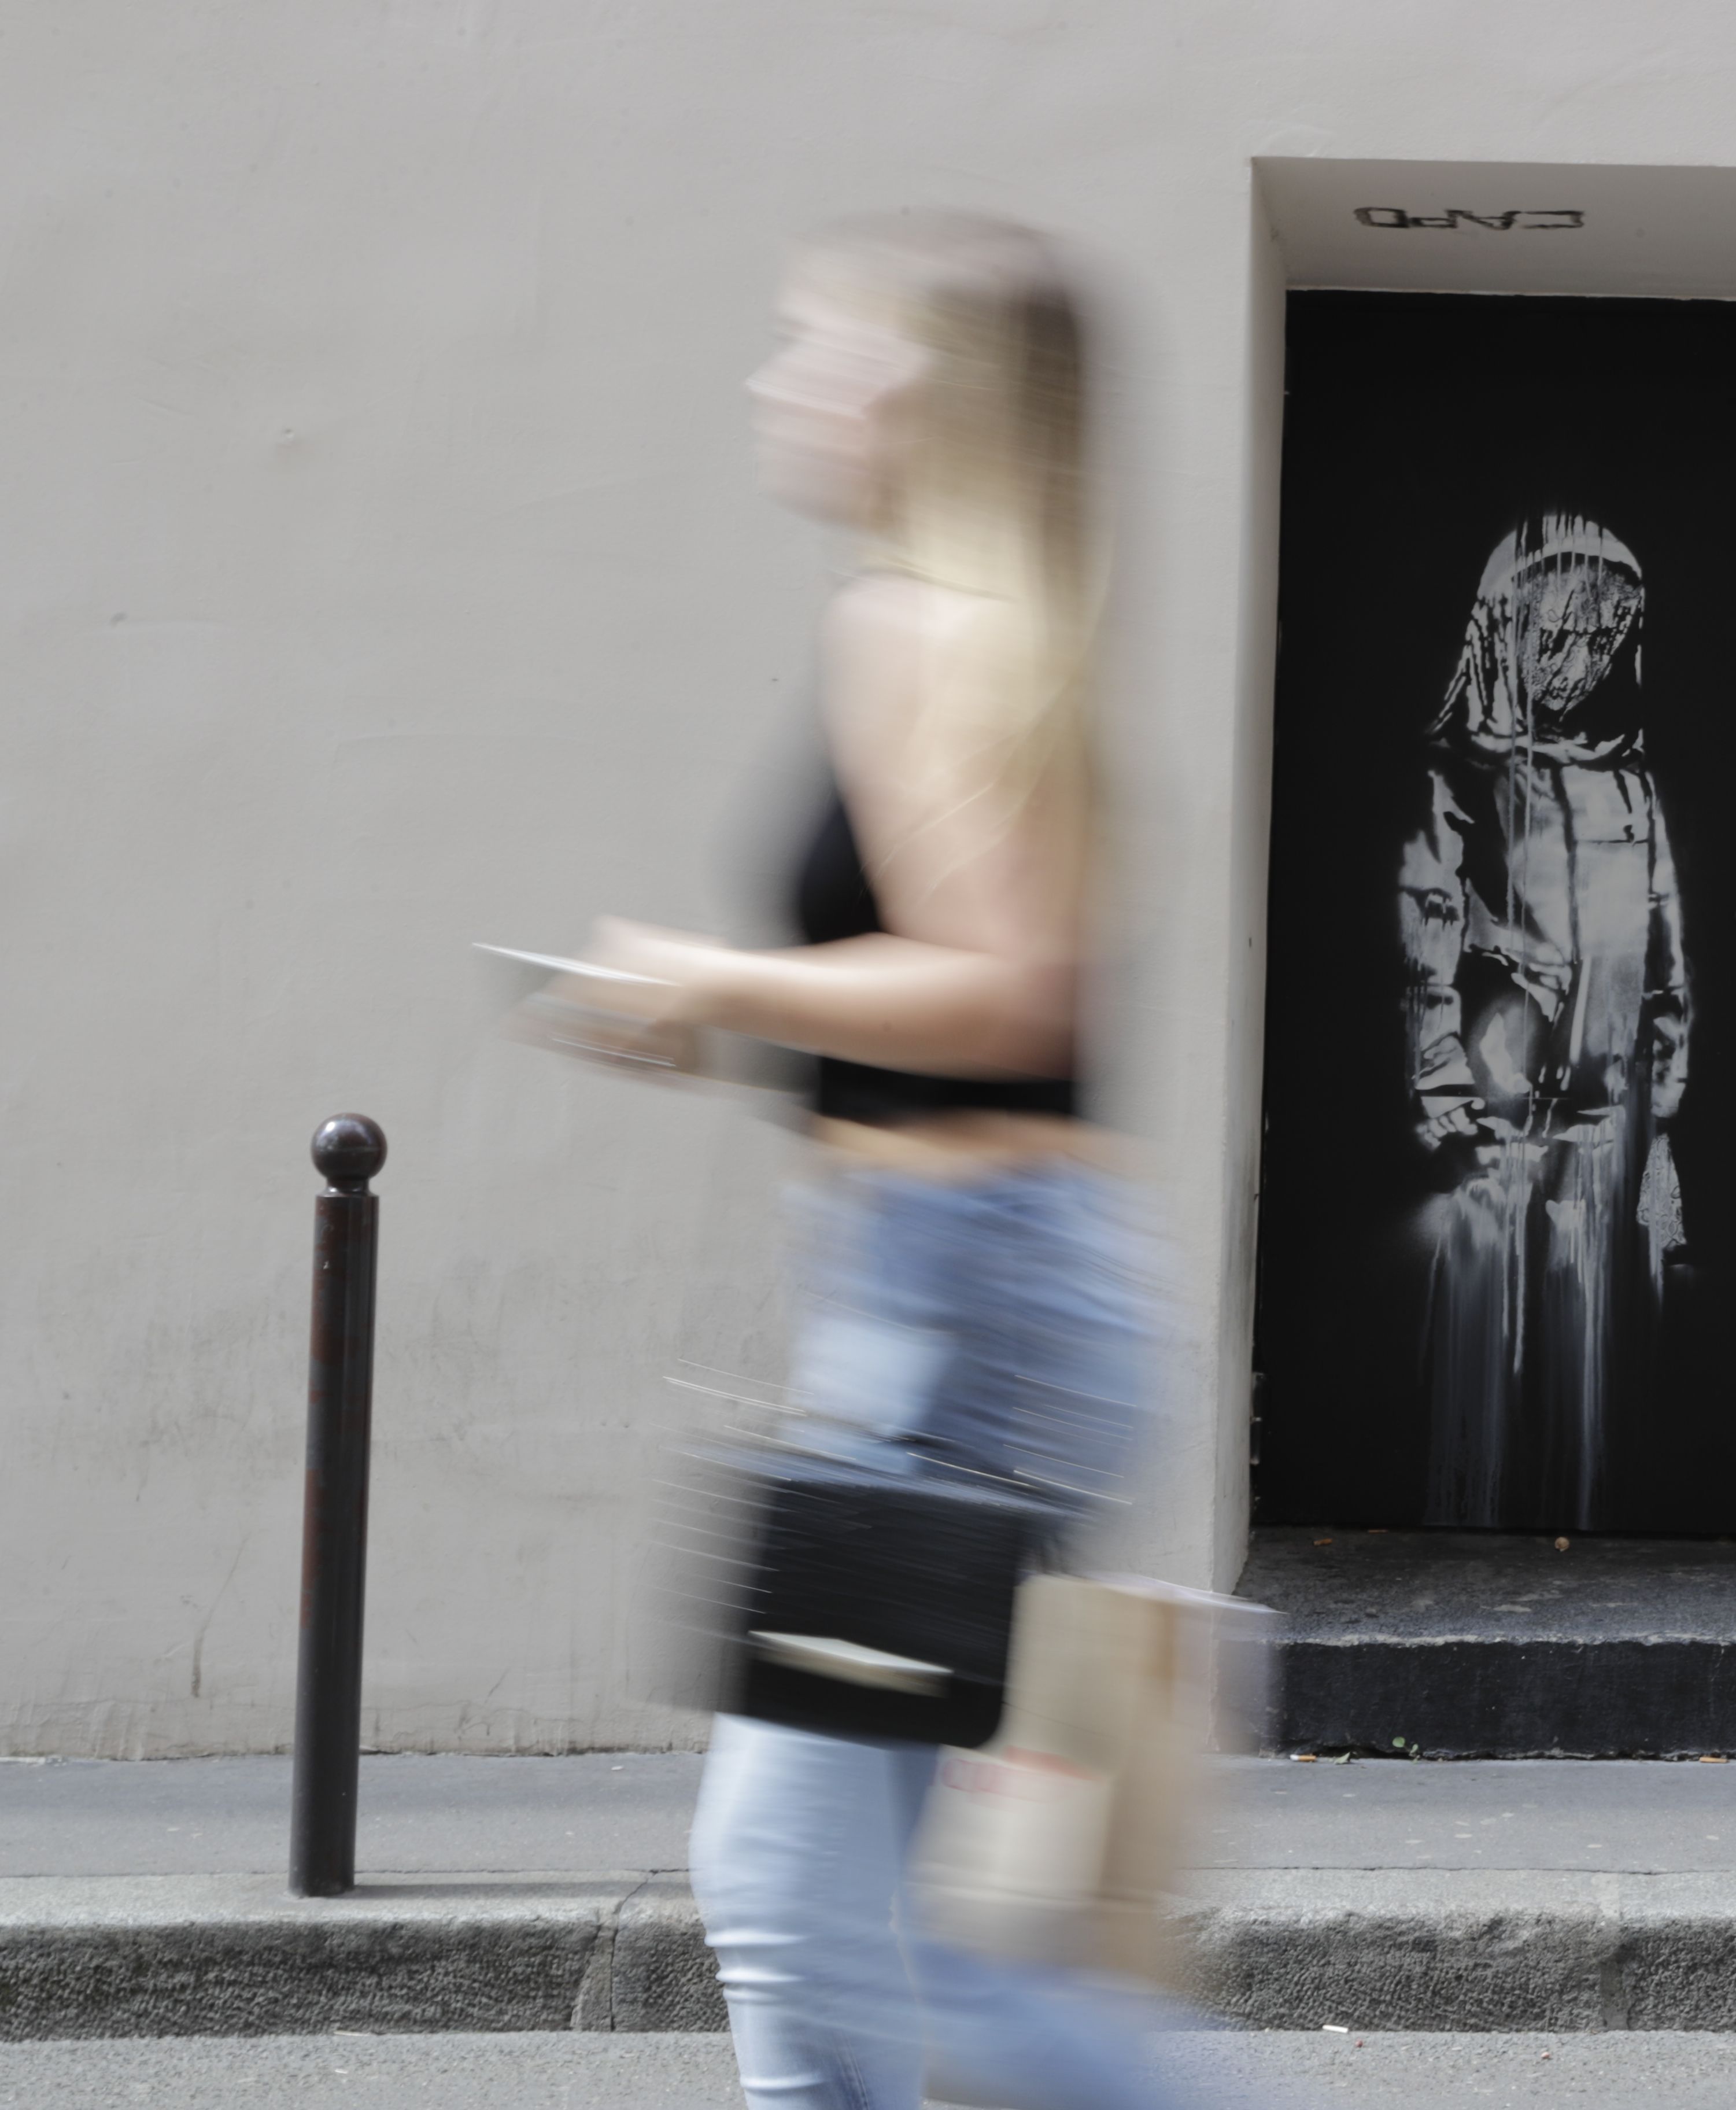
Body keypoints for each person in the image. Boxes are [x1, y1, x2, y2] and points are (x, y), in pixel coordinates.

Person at [555, 211, 1171, 2110]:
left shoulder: (923, 635)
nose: (781, 383)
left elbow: (1010, 987)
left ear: (938, 396)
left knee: (839, 1928)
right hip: (955, 1295)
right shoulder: (976, 626)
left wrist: (713, 976)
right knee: (822, 1909)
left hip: (962, 1306)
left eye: (826, 349)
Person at [1397, 514, 1691, 1532]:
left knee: (1603, 1355)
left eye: (1607, 636)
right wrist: (1449, 1109)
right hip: (1496, 1132)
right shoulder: (1461, 779)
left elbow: (1665, 954)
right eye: (1559, 633)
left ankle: (1590, 1503)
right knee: (1490, 1348)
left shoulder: (1629, 778)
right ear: (1503, 631)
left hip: (1611, 1128)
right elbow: (1426, 948)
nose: (1583, 658)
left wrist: (1666, 1107)